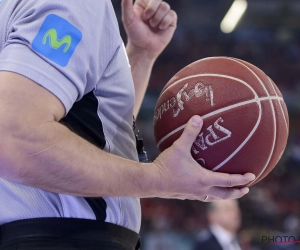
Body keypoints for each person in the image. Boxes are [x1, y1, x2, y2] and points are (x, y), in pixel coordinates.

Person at [0, 0, 255, 249]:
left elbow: (93, 127)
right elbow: (13, 137)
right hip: (63, 237)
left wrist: (141, 54)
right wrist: (160, 179)